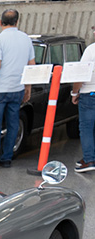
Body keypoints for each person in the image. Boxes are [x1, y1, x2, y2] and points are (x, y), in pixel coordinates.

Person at [0, 9, 35, 169]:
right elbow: (31, 66)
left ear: (0, 22)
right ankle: (6, 159)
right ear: (17, 22)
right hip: (17, 89)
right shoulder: (26, 39)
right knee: (13, 124)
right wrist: (27, 88)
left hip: (1, 89)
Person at [71, 25, 95, 173]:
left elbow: (80, 74)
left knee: (86, 128)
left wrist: (75, 93)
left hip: (90, 93)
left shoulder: (91, 50)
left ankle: (89, 159)